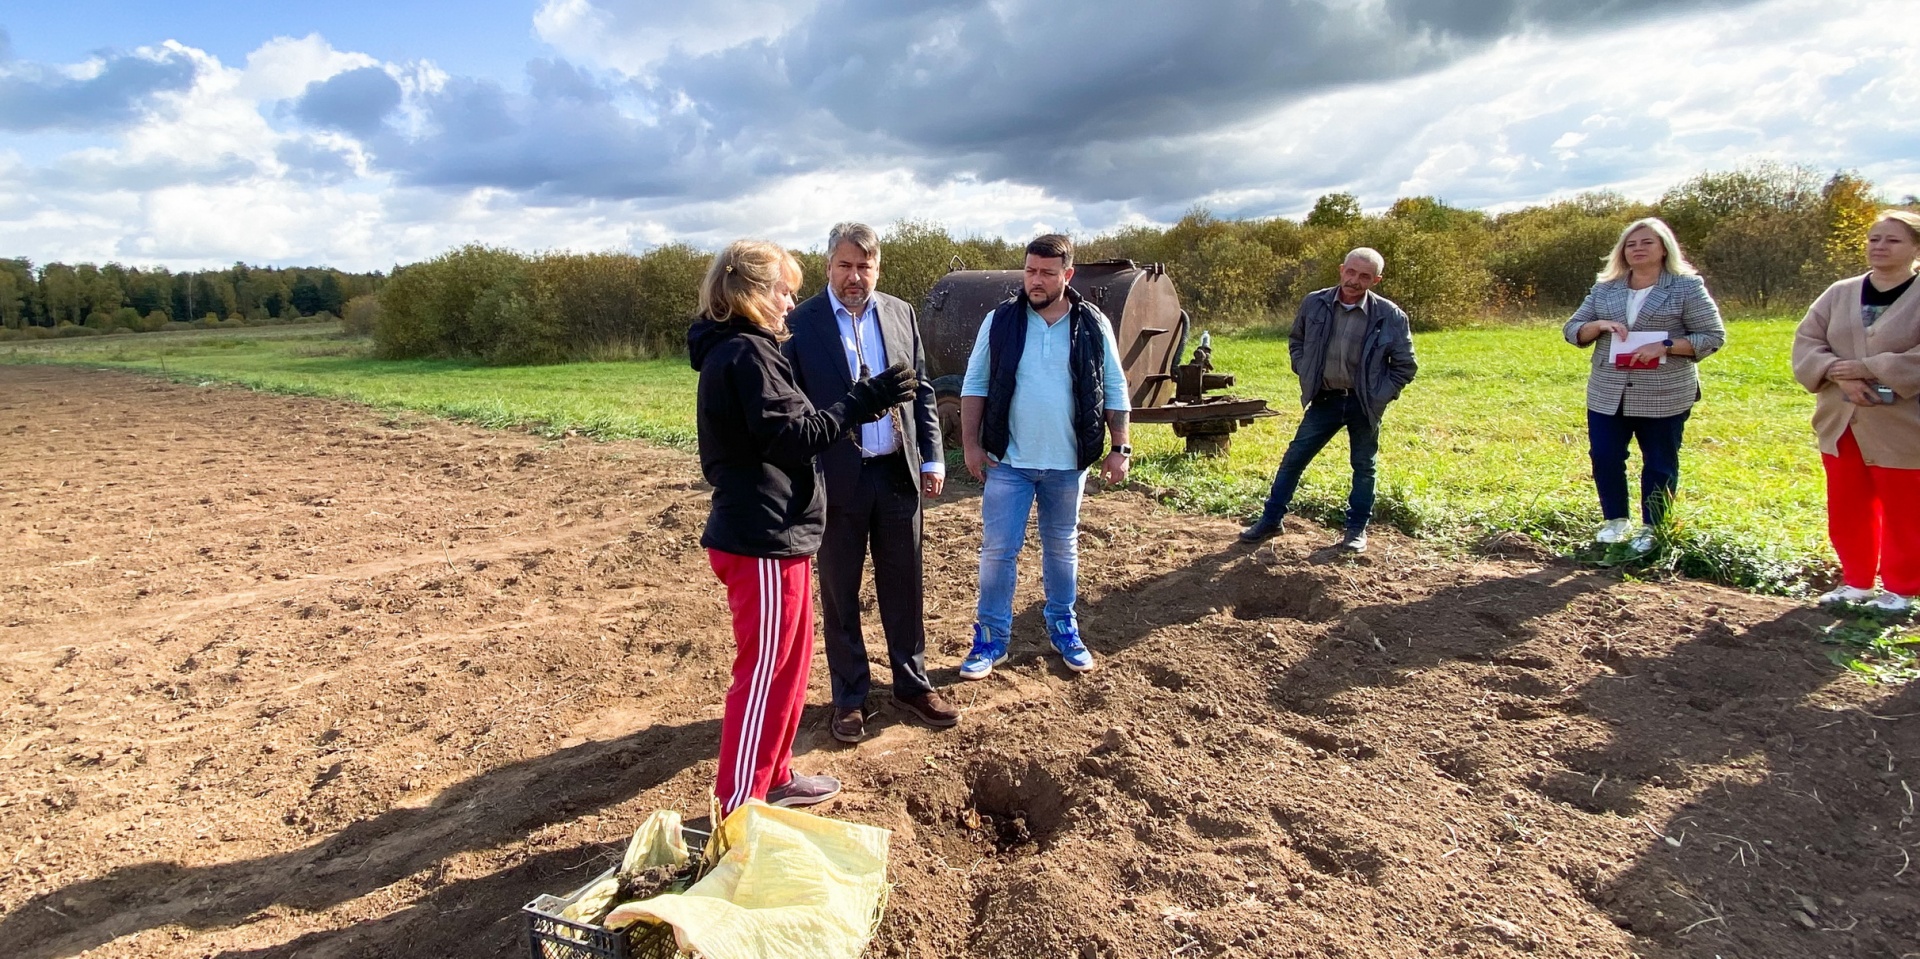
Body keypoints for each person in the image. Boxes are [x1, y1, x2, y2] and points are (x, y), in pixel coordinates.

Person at [687, 239, 917, 813]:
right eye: (784, 292)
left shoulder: (753, 349)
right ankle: (740, 802)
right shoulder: (744, 353)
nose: (791, 303)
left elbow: (788, 430)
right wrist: (860, 404)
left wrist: (856, 403)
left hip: (783, 533)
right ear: (751, 292)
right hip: (759, 535)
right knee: (764, 674)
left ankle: (775, 776)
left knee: (791, 663)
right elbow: (791, 437)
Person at [782, 223, 960, 744]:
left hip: (896, 475)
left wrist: (932, 457)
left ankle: (911, 685)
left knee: (904, 586)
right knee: (840, 591)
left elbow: (923, 389)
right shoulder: (802, 322)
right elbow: (792, 405)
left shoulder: (901, 313)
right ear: (828, 267)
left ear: (877, 268)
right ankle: (851, 697)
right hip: (835, 480)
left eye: (864, 266)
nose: (855, 276)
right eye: (845, 265)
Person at [957, 233, 1131, 679]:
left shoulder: (1092, 323)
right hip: (1008, 463)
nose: (1035, 280)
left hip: (1067, 465)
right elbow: (974, 384)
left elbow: (1115, 387)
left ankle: (1063, 628)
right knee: (999, 551)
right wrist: (972, 446)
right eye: (1030, 271)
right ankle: (991, 640)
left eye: (1046, 273)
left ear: (1067, 275)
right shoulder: (1000, 320)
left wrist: (1119, 447)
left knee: (1061, 548)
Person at [1561, 217, 1725, 553]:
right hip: (1608, 391)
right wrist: (1599, 325)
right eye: (1631, 244)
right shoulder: (1605, 288)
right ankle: (1614, 521)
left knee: (1659, 462)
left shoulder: (1686, 287)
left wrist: (1664, 346)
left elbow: (1712, 336)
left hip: (1663, 393)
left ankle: (1653, 527)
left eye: (1646, 242)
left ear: (1664, 248)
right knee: (1605, 456)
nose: (1637, 249)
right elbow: (1572, 329)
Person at [1239, 248, 1418, 553]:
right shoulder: (1315, 303)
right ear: (1341, 270)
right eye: (1351, 272)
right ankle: (1271, 520)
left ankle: (1356, 530)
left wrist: (1380, 395)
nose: (1355, 281)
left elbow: (1405, 366)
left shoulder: (1390, 315)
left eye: (1364, 276)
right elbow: (1296, 340)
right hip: (1325, 399)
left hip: (1364, 404)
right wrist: (1304, 367)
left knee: (1364, 467)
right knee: (1294, 459)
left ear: (1376, 280)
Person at [1791, 210, 1920, 612]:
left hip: (1902, 424)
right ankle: (1857, 582)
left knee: (1905, 509)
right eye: (1874, 239)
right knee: (1848, 505)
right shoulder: (1840, 292)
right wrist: (1836, 372)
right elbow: (1807, 340)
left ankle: (1901, 588)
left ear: (1916, 247)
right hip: (1841, 419)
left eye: (1892, 240)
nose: (1879, 247)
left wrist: (1873, 367)